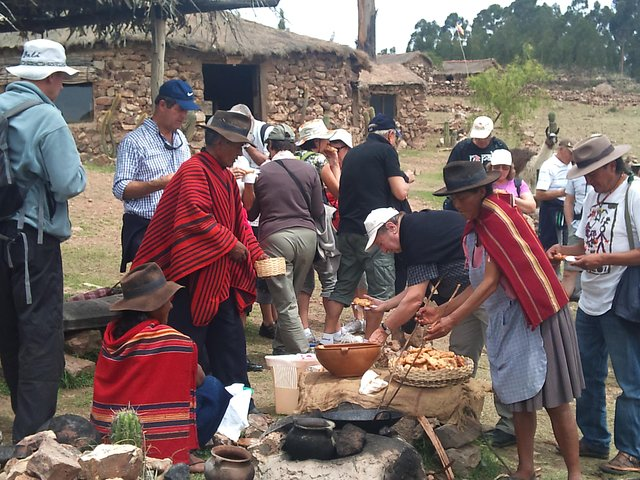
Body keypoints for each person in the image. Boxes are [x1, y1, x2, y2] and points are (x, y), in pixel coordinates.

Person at [425, 161, 584, 480]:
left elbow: (490, 282)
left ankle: (575, 474)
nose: (456, 205)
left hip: (536, 314)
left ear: (481, 191)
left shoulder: (496, 218)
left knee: (555, 401)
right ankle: (525, 470)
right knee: (519, 398)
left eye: (461, 197)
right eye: (452, 198)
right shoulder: (475, 227)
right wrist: (441, 310)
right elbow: (476, 280)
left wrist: (453, 319)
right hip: (509, 319)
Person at [131, 110, 266, 407]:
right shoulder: (193, 170)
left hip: (220, 278)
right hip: (189, 277)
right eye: (236, 146)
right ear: (218, 142)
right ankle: (190, 409)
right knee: (191, 347)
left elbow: (239, 222)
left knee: (231, 343)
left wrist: (256, 254)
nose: (240, 153)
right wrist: (231, 245)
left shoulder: (227, 178)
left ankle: (241, 408)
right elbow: (194, 217)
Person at [0, 39, 87, 443]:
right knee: (40, 334)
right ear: (51, 77)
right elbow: (69, 182)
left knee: (10, 330)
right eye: (61, 79)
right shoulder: (47, 119)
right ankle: (32, 438)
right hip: (32, 241)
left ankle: (21, 419)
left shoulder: (2, 109)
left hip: (2, 233)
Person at [548, 134, 640, 475]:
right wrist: (565, 252)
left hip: (621, 297)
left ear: (612, 166)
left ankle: (631, 450)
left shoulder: (634, 194)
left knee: (630, 379)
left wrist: (603, 258)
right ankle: (596, 438)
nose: (586, 180)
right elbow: (585, 243)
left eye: (592, 172)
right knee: (586, 372)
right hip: (591, 298)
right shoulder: (595, 198)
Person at [91, 263, 231, 472]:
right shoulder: (173, 341)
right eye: (167, 300)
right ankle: (178, 452)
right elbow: (199, 380)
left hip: (109, 433)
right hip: (155, 436)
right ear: (153, 306)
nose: (171, 306)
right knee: (213, 388)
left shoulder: (112, 335)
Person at [321, 113, 410, 343]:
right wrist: (406, 179)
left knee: (344, 284)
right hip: (374, 233)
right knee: (379, 291)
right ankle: (372, 341)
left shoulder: (352, 155)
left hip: (347, 230)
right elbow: (400, 192)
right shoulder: (387, 151)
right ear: (391, 135)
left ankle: (329, 334)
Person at [244, 124, 324, 354]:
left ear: (269, 147)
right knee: (291, 297)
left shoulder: (262, 173)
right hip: (308, 239)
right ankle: (282, 346)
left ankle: (302, 352)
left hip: (275, 240)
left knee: (284, 301)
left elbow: (251, 214)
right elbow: (318, 210)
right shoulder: (309, 170)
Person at [113, 79, 200, 273]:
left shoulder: (181, 139)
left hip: (178, 224)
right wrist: (157, 184)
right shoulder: (134, 142)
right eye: (179, 109)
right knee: (154, 286)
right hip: (146, 226)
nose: (184, 116)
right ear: (162, 105)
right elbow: (120, 188)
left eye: (186, 111)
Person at [295, 119, 342, 343]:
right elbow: (337, 190)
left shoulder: (294, 158)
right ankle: (332, 330)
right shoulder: (317, 159)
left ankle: (303, 328)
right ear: (317, 141)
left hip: (297, 221)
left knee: (304, 280)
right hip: (318, 223)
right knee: (329, 277)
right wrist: (334, 164)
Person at [535, 139, 573, 250]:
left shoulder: (571, 165)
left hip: (568, 207)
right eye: (570, 153)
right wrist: (563, 192)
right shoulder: (549, 166)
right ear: (560, 150)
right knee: (549, 245)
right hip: (552, 209)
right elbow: (540, 194)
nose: (572, 156)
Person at [561, 174, 592, 299]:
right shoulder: (574, 176)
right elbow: (569, 200)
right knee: (570, 268)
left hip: (597, 226)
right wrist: (570, 225)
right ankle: (562, 305)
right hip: (577, 225)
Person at [490, 149, 536, 214]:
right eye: (496, 167)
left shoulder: (518, 184)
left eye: (505, 167)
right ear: (491, 167)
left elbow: (531, 207)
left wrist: (509, 198)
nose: (500, 170)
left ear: (510, 168)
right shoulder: (485, 185)